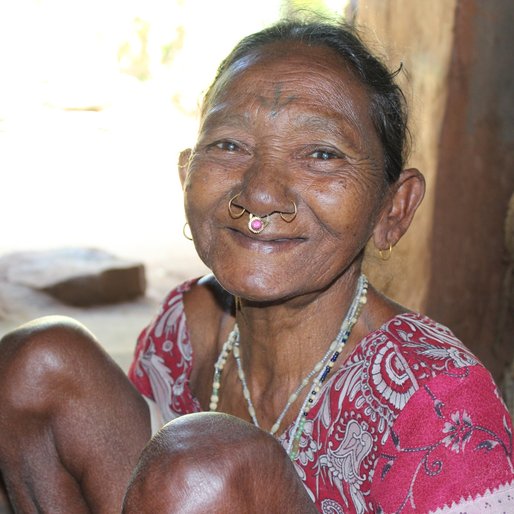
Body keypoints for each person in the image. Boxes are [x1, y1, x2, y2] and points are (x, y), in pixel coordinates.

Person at [1, 17, 513, 514]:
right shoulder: (188, 323)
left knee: (204, 473)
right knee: (36, 363)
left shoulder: (438, 401)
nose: (260, 193)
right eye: (229, 145)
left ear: (392, 209)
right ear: (187, 176)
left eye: (321, 153)